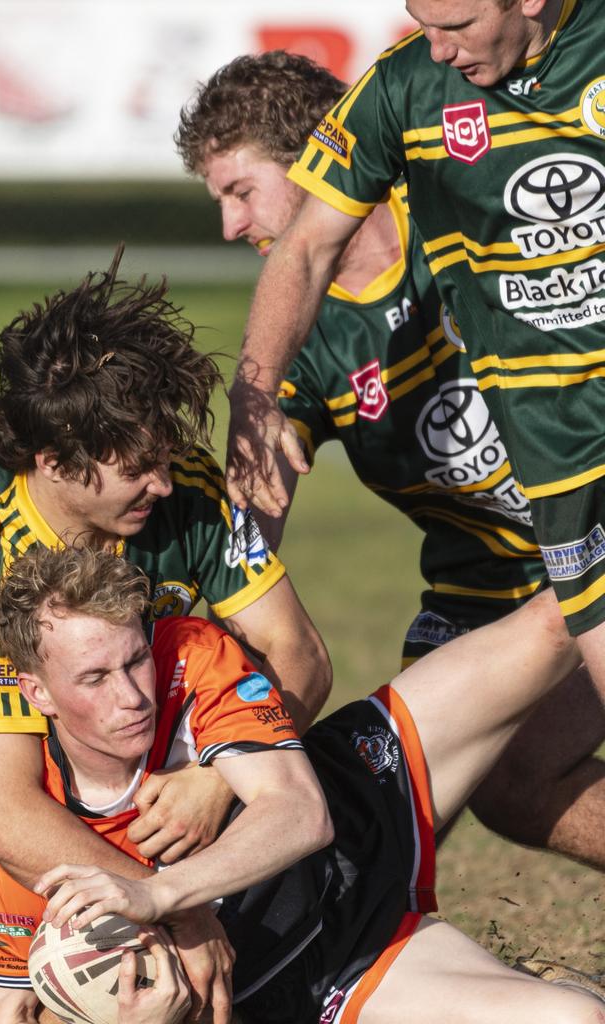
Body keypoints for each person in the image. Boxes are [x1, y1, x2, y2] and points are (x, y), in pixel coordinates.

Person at [175, 50, 605, 868]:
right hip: (480, 592)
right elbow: (247, 544)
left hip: (588, 534)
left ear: (317, 161)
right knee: (397, 814)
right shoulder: (296, 341)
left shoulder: (464, 207)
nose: (230, 226)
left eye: (240, 191)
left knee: (507, 776)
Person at [0, 250, 331, 1022]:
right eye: (138, 469)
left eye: (164, 457)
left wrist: (214, 783)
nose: (166, 484)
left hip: (192, 844)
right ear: (54, 462)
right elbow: (10, 819)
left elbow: (300, 659)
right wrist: (175, 911)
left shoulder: (189, 494)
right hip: (42, 872)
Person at [0, 543, 604, 1024]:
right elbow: (5, 1009)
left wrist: (161, 894)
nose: (132, 696)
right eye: (94, 678)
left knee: (561, 614)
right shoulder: (36, 838)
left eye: (133, 659)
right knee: (577, 1017)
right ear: (37, 692)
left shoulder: (185, 655)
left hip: (367, 786)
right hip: (339, 967)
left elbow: (302, 813)